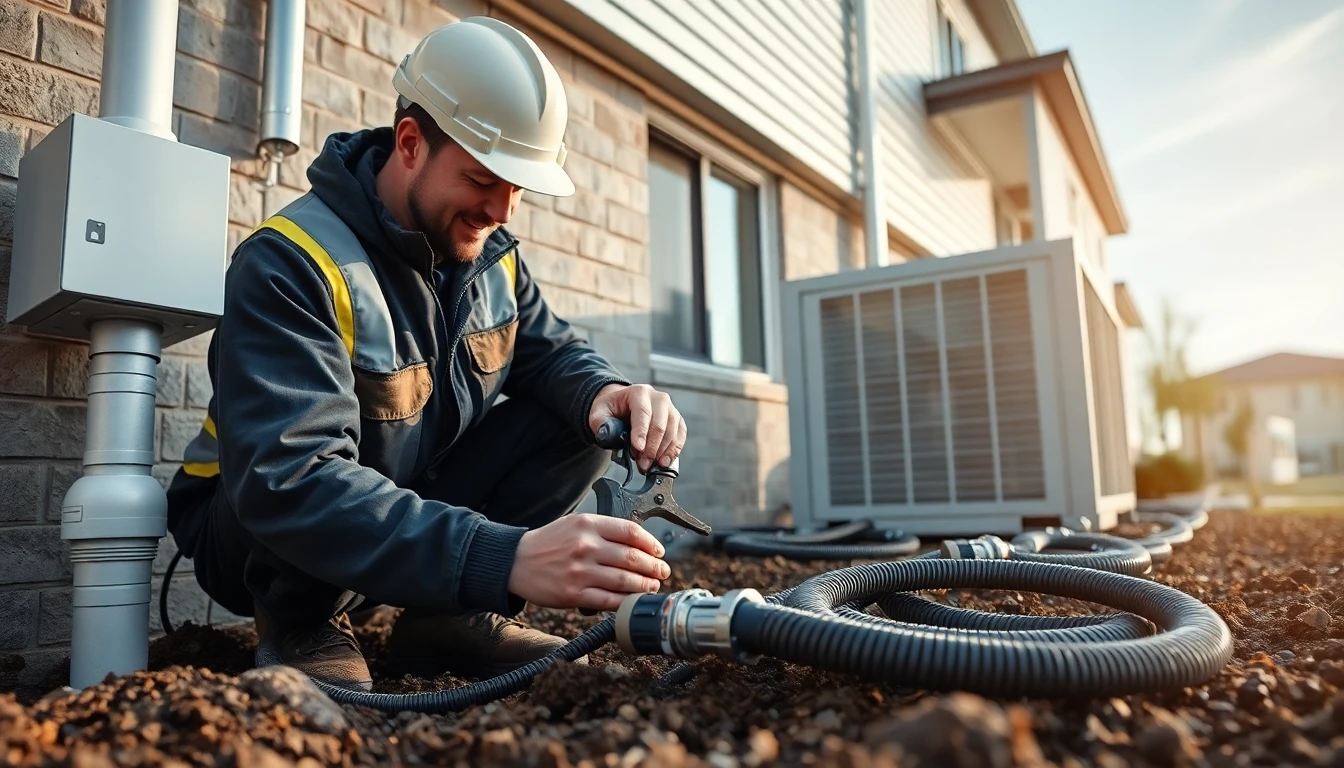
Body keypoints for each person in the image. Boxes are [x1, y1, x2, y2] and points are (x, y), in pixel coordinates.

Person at [164, 16, 686, 692]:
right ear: (410, 143)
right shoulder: (291, 263)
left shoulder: (488, 254)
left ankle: (445, 618)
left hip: (398, 496)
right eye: (483, 178)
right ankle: (300, 620)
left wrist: (606, 393)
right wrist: (506, 558)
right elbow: (291, 476)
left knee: (583, 417)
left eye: (518, 187)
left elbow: (553, 355)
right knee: (298, 475)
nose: (503, 210)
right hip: (256, 527)